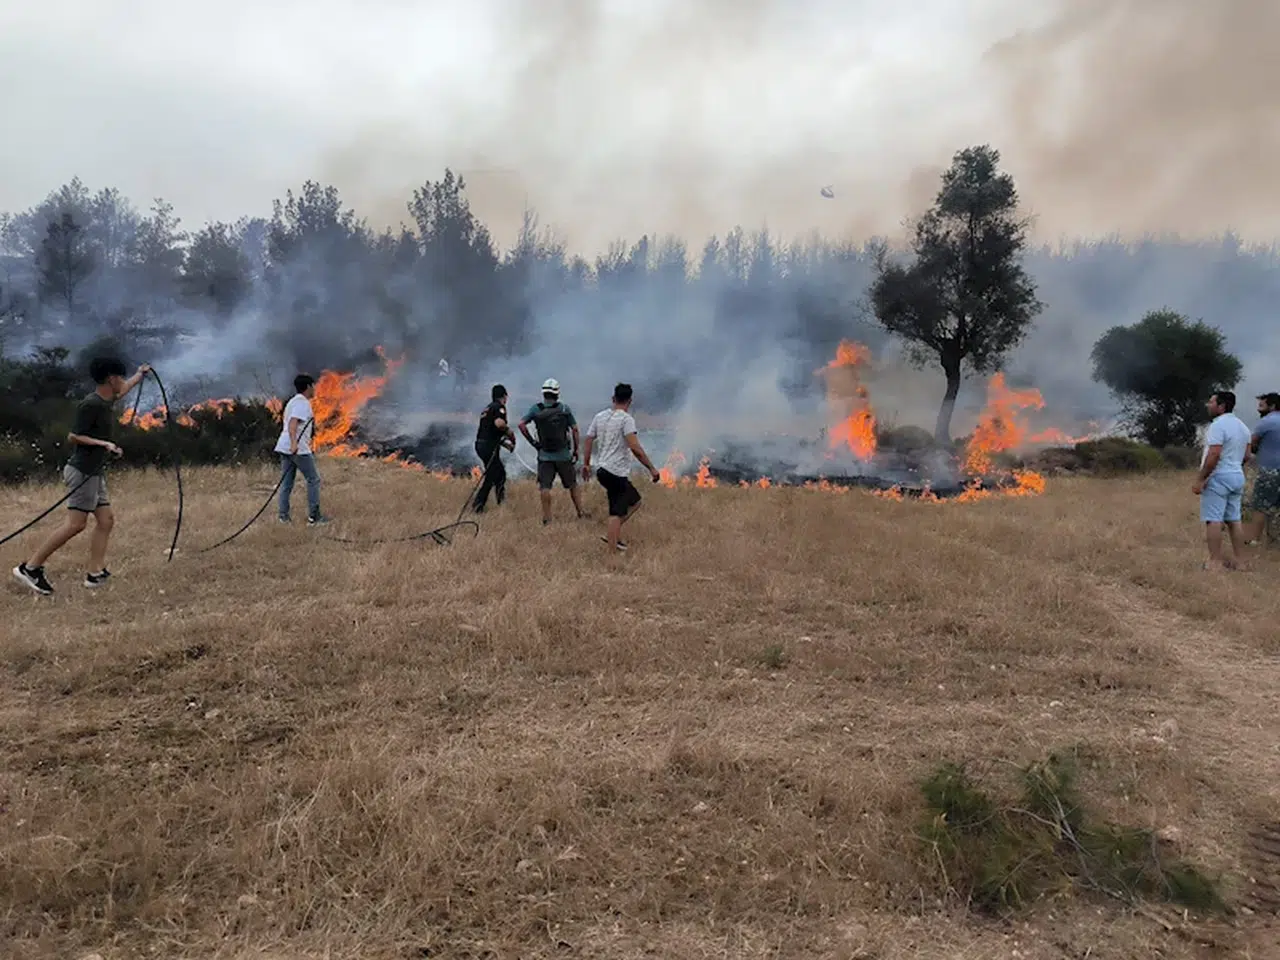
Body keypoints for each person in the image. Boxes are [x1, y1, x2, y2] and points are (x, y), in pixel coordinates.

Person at [12, 357, 150, 595]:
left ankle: (95, 573)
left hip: (94, 472)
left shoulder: (106, 399)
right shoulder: (91, 404)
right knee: (76, 524)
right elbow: (74, 436)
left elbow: (125, 389)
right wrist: (104, 444)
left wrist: (140, 374)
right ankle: (30, 568)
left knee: (106, 520)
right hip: (82, 472)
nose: (123, 381)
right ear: (111, 379)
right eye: (120, 377)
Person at [581, 382, 661, 552]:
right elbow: (635, 447)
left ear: (613, 398)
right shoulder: (626, 420)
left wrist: (586, 464)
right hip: (615, 472)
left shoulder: (600, 416)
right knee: (616, 512)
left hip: (602, 470)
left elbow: (588, 439)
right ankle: (612, 551)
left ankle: (613, 535)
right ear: (630, 401)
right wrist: (651, 468)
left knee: (635, 501)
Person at [1192, 390, 1253, 570]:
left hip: (1218, 476)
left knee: (1213, 519)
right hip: (1237, 475)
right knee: (1234, 519)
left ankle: (1215, 561)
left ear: (1221, 406)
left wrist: (1201, 479)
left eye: (1212, 402)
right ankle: (1240, 561)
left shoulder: (1218, 426)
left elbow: (1214, 454)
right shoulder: (1243, 427)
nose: (1208, 405)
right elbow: (1247, 455)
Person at [519, 378, 587, 524]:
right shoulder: (564, 409)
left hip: (544, 456)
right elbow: (575, 430)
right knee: (572, 485)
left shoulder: (536, 409)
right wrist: (576, 450)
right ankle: (581, 512)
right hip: (564, 455)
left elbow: (521, 425)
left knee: (545, 487)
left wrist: (533, 443)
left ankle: (547, 518)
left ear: (543, 393)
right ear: (557, 393)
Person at [275, 374, 330, 526]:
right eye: (313, 386)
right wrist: (294, 444)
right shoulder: (302, 404)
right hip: (297, 449)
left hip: (284, 446)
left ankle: (283, 517)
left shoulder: (293, 401)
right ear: (308, 387)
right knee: (313, 479)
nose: (315, 389)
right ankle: (314, 517)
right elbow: (293, 423)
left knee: (286, 483)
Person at [1244, 391, 1280, 548]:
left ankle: (1255, 539)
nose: (1259, 408)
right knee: (1276, 507)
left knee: (1260, 505)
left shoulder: (1266, 422)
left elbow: (1251, 442)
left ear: (1272, 406)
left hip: (1270, 470)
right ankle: (1274, 539)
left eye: (1262, 405)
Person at [473, 384, 515, 513]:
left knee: (498, 473)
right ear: (504, 396)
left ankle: (498, 502)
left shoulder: (487, 409)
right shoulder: (499, 407)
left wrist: (505, 444)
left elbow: (491, 432)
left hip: (481, 444)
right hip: (488, 447)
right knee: (494, 475)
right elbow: (499, 424)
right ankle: (479, 505)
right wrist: (510, 433)